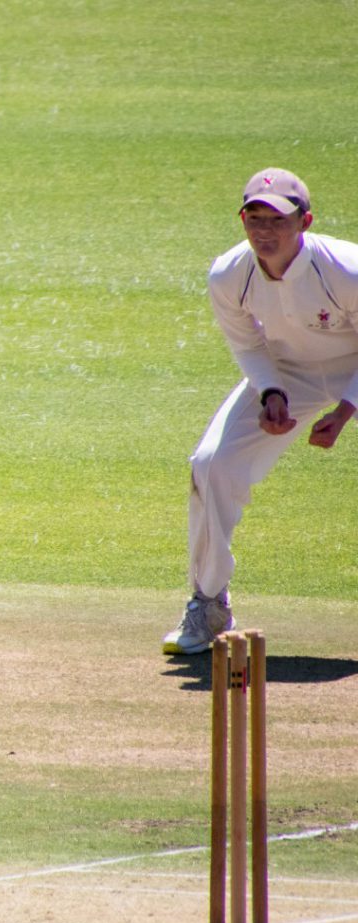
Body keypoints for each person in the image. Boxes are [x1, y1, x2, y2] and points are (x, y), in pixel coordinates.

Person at [164, 169, 358, 654]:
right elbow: (247, 342)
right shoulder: (229, 273)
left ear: (305, 221)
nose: (264, 231)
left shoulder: (346, 270)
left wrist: (348, 407)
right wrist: (271, 390)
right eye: (254, 218)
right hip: (287, 370)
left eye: (278, 219)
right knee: (212, 465)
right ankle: (209, 602)